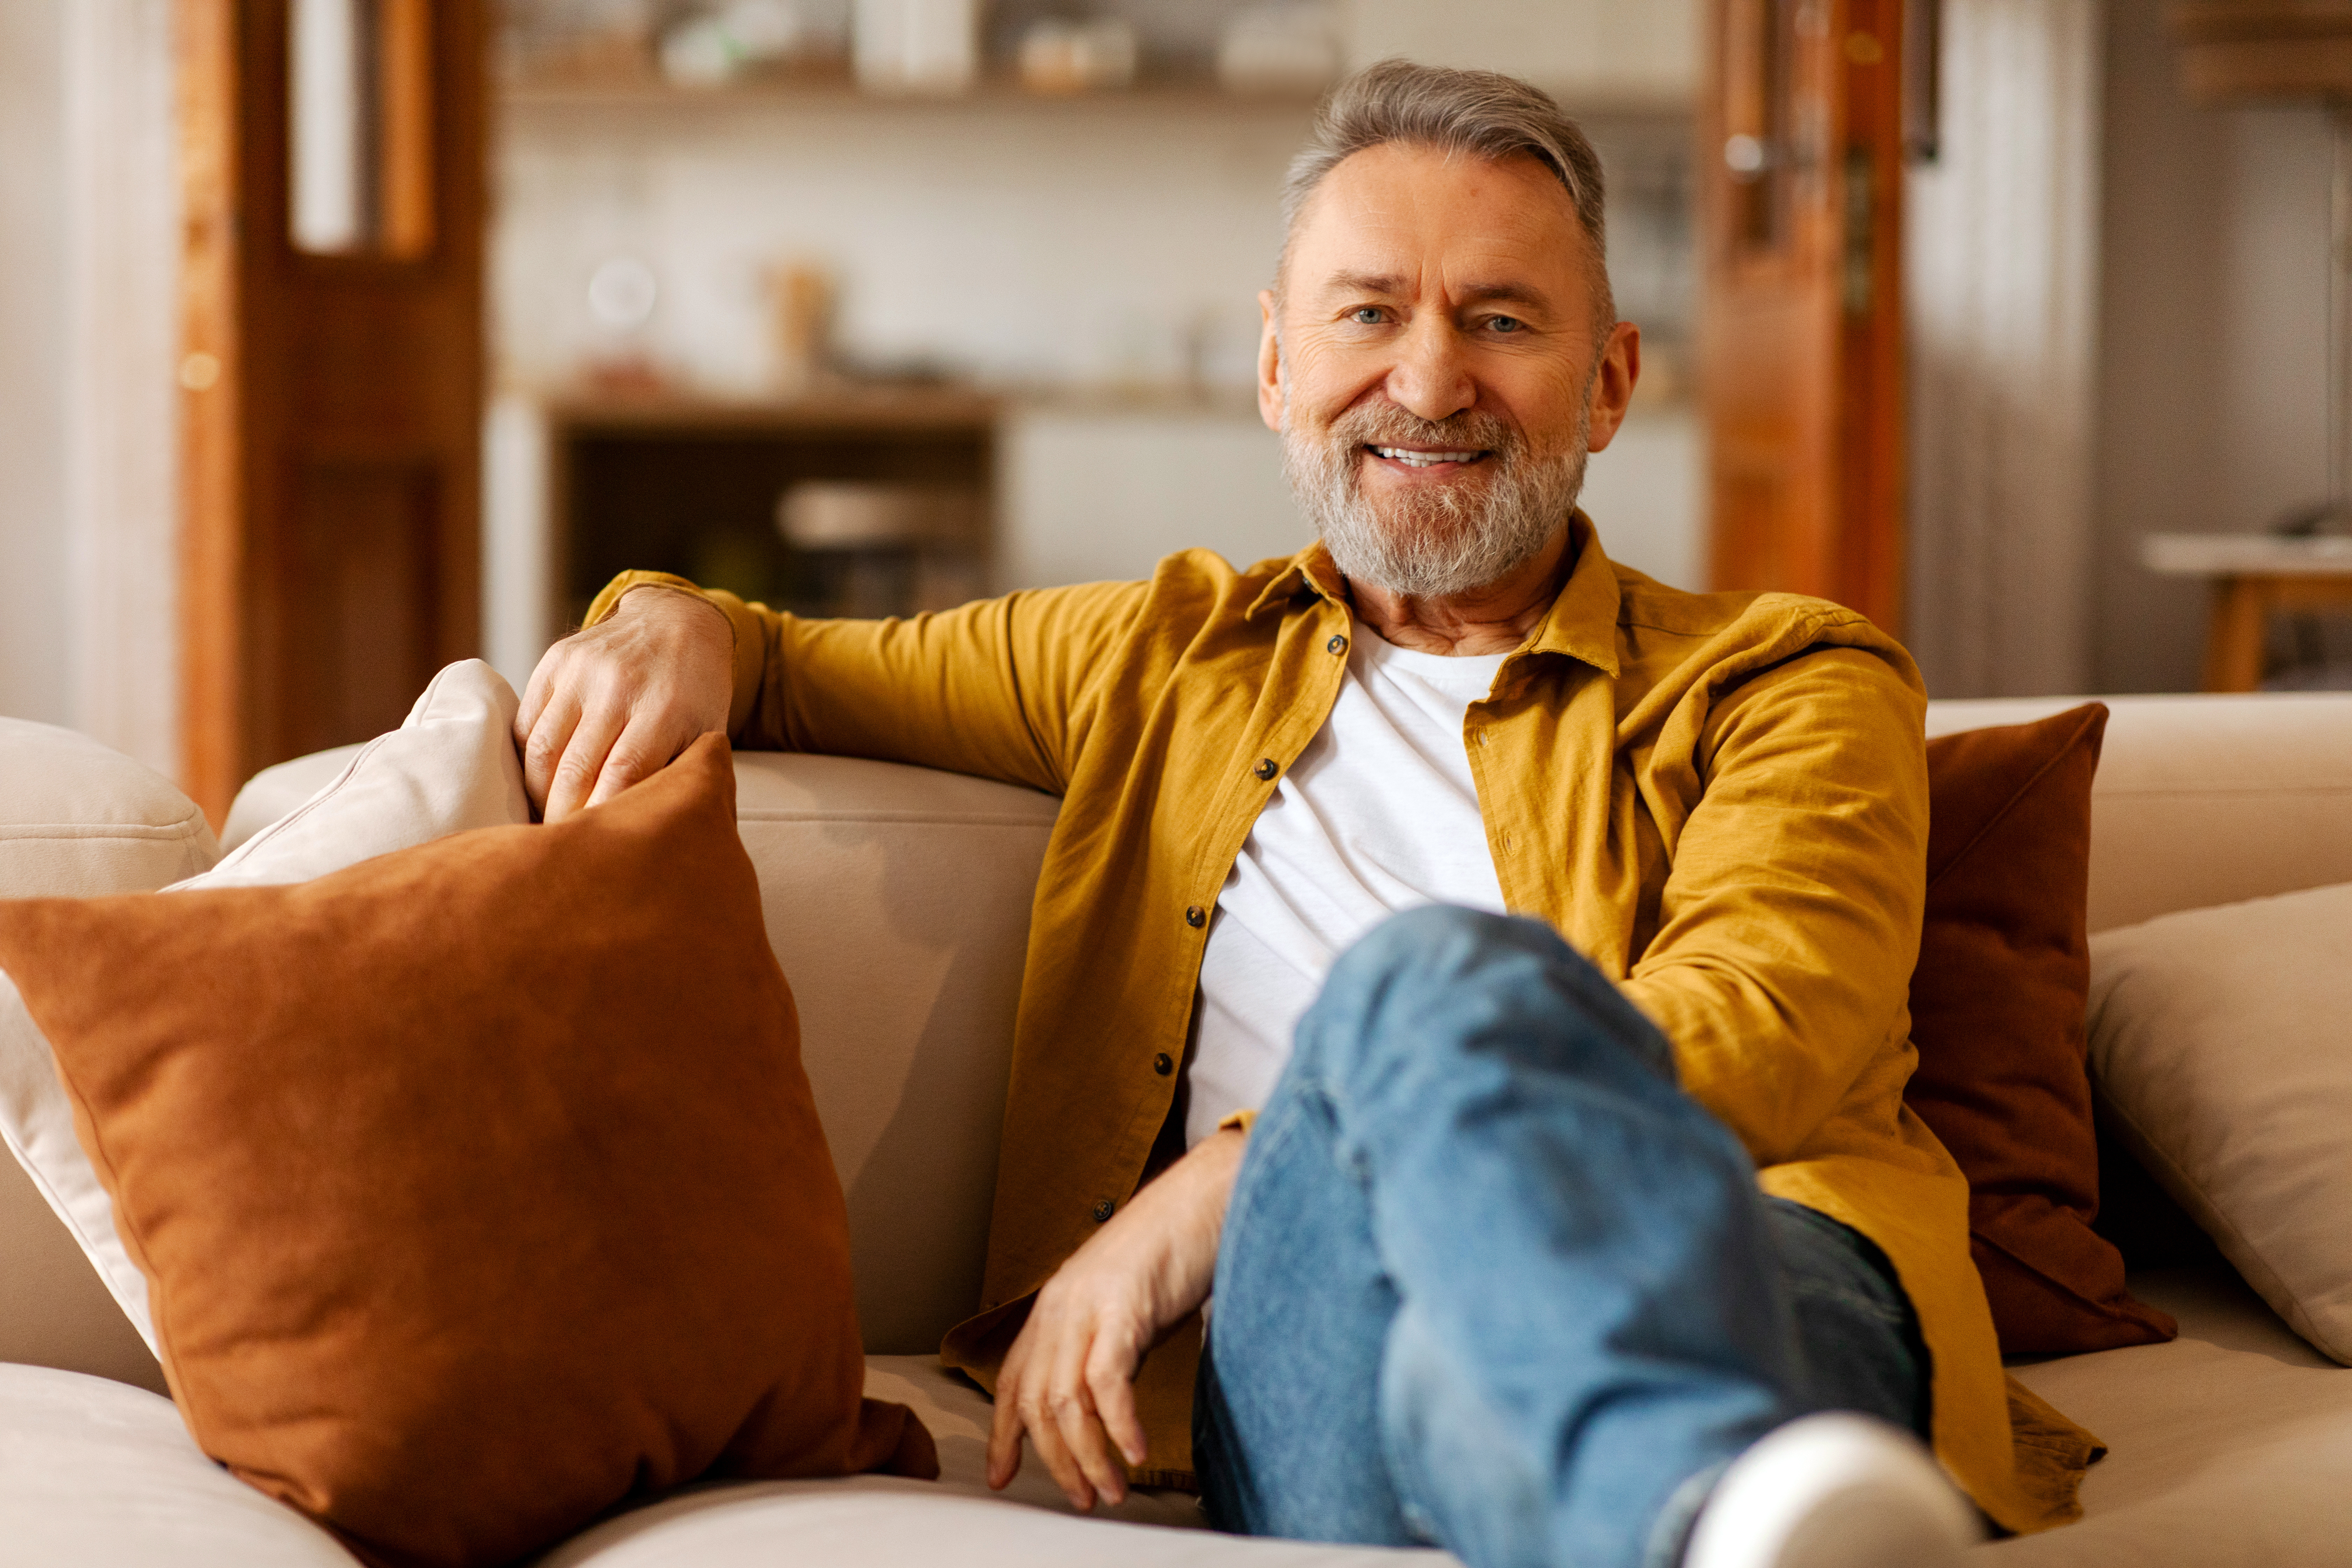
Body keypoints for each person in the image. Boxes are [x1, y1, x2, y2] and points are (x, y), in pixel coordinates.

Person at [516, 61, 2091, 1568]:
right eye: (1369, 315)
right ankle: (1712, 1513)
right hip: (1307, 1336)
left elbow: (1762, 1027)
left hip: (1741, 1271)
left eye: (1500, 320)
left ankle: (1658, 1494)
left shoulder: (1791, 681)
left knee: (1430, 1034)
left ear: (1606, 382)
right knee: (1421, 1217)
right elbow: (783, 656)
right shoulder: (1155, 655)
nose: (1426, 377)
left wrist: (1233, 1173)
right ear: (1278, 368)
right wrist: (663, 617)